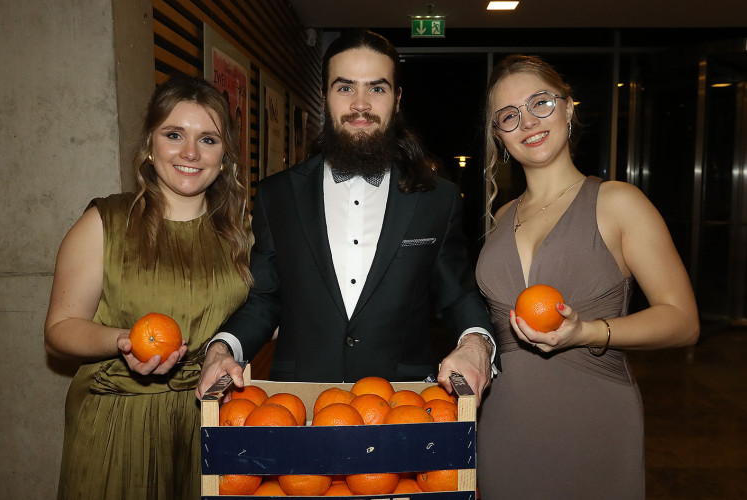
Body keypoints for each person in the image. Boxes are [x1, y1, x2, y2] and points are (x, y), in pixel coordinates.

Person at [196, 29, 497, 404]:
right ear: (324, 97)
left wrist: (477, 343)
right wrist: (224, 348)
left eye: (376, 88)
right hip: (297, 404)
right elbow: (264, 298)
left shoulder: (438, 199)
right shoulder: (278, 195)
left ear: (397, 99)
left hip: (401, 406)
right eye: (345, 88)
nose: (360, 104)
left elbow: (457, 297)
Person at [475, 54, 700, 498]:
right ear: (499, 136)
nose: (527, 123)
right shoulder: (501, 216)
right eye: (509, 116)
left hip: (592, 418)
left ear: (568, 108)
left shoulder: (618, 201)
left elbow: (683, 321)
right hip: (504, 422)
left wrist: (587, 332)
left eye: (540, 103)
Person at [44, 75, 253, 500]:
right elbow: (61, 328)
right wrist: (122, 340)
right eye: (174, 134)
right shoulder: (106, 222)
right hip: (117, 422)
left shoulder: (240, 232)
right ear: (150, 144)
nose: (190, 153)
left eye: (208, 139)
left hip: (209, 418)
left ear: (225, 156)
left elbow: (261, 312)